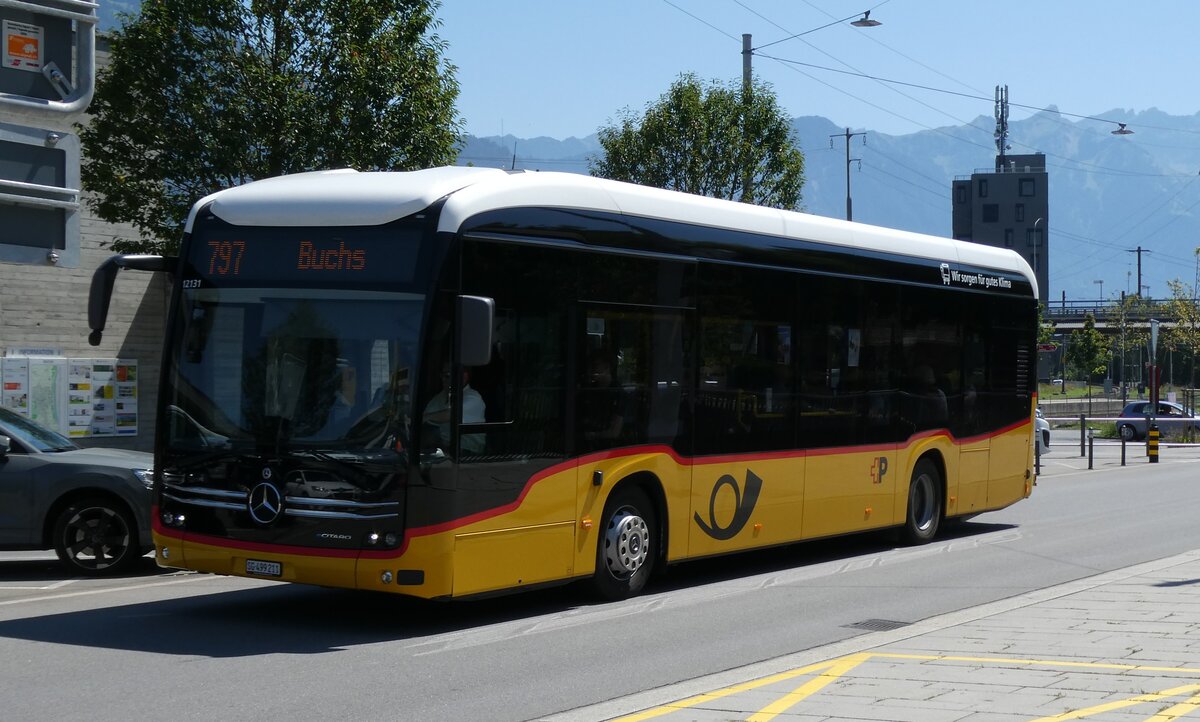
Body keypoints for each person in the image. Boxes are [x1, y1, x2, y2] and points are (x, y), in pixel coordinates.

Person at [423, 365, 487, 454]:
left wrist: (425, 417)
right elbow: (426, 416)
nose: (443, 379)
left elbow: (452, 414)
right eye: (442, 375)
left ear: (464, 377)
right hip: (444, 448)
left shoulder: (474, 397)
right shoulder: (440, 397)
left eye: (447, 376)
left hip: (468, 453)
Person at [579, 353, 625, 448]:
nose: (592, 370)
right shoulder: (589, 391)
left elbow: (615, 432)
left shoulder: (618, 393)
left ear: (607, 367)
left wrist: (594, 435)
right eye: (590, 366)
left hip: (609, 448)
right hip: (586, 446)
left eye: (595, 365)